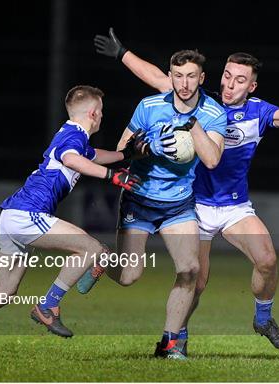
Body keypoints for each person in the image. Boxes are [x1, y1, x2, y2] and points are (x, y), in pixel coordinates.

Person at [83, 28, 279, 356]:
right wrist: (122, 52)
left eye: (239, 80)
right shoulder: (199, 101)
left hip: (235, 206)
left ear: (251, 86)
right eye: (226, 76)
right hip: (195, 206)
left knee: (267, 260)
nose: (229, 84)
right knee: (197, 281)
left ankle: (263, 319)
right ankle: (178, 337)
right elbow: (157, 77)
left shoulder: (258, 113)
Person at [0, 85, 146, 358]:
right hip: (27, 215)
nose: (102, 116)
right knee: (90, 248)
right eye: (101, 111)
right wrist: (112, 177)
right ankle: (48, 306)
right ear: (93, 112)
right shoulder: (74, 137)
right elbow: (72, 159)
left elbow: (94, 156)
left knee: (4, 292)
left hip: (11, 217)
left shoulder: (73, 136)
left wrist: (127, 155)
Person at [79, 49, 227, 359]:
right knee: (130, 276)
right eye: (177, 76)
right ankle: (103, 261)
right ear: (170, 76)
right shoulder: (149, 106)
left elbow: (212, 159)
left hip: (178, 203)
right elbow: (122, 150)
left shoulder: (214, 113)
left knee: (190, 269)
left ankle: (169, 343)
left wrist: (193, 125)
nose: (183, 83)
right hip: (140, 197)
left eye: (190, 76)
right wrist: (146, 145)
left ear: (201, 78)